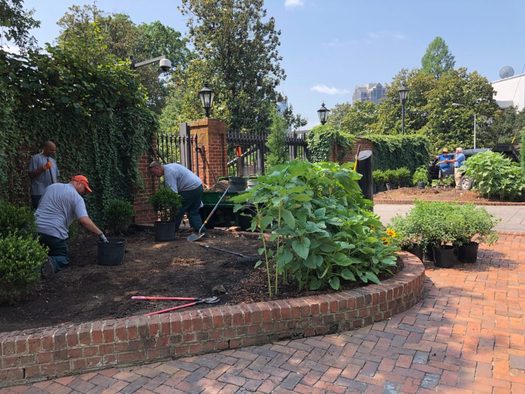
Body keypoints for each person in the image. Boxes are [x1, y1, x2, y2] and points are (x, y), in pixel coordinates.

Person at [35, 175, 108, 276]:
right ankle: (51, 263)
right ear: (78, 183)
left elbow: (41, 205)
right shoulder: (76, 197)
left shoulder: (52, 187)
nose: (84, 193)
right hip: (55, 233)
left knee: (41, 251)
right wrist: (100, 234)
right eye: (84, 189)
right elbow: (84, 220)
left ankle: (36, 264)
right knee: (63, 258)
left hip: (35, 229)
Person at [148, 161, 204, 234]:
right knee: (193, 211)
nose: (154, 175)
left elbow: (173, 193)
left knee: (178, 210)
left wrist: (169, 206)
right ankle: (201, 231)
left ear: (157, 168)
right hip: (198, 186)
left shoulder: (169, 173)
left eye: (153, 172)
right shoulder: (170, 167)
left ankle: (171, 231)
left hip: (190, 189)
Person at [29, 140, 60, 209]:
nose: (53, 152)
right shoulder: (35, 158)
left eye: (54, 150)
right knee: (39, 214)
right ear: (45, 148)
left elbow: (56, 177)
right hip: (39, 192)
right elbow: (31, 175)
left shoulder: (53, 161)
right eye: (51, 150)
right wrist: (43, 168)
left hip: (52, 193)